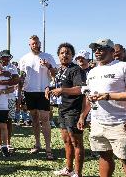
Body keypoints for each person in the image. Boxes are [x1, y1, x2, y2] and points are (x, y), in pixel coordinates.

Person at [77, 39, 126, 177]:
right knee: (104, 156)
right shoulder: (92, 72)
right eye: (95, 48)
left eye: (101, 48)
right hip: (98, 123)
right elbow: (90, 96)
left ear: (112, 51)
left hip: (120, 123)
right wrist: (83, 115)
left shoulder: (124, 67)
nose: (97, 51)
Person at [46, 43, 86, 177]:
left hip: (74, 110)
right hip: (63, 109)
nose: (65, 55)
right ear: (58, 56)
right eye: (62, 53)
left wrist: (62, 90)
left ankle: (78, 173)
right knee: (66, 141)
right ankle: (68, 169)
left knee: (76, 142)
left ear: (72, 55)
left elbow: (81, 89)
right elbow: (57, 85)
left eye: (68, 52)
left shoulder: (76, 70)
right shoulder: (61, 69)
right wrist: (49, 88)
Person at [19, 35, 57, 159]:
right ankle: (37, 144)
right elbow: (21, 77)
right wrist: (20, 94)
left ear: (40, 43)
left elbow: (55, 74)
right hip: (29, 91)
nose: (35, 45)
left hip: (43, 91)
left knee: (45, 119)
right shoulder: (24, 59)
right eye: (33, 43)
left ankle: (48, 148)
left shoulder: (48, 56)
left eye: (37, 43)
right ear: (29, 45)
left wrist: (48, 66)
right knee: (34, 119)